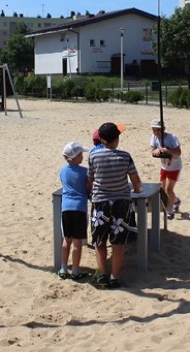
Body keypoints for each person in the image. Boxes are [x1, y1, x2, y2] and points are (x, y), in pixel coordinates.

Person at [88, 122, 141, 289]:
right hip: (121, 203)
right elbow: (135, 179)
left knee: (100, 241)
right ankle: (115, 276)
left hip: (100, 203)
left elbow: (90, 179)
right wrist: (138, 189)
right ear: (116, 139)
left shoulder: (93, 157)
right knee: (118, 244)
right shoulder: (125, 156)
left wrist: (90, 192)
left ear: (101, 139)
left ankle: (103, 274)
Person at [58, 141, 90, 281]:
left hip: (66, 207)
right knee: (77, 242)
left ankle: (63, 268)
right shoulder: (84, 172)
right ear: (75, 157)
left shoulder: (63, 170)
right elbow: (88, 187)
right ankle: (75, 270)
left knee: (67, 240)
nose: (82, 156)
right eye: (81, 154)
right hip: (79, 208)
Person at [150, 119, 182, 219]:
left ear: (163, 129)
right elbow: (152, 151)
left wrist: (168, 151)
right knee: (163, 189)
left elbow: (178, 152)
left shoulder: (172, 137)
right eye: (154, 130)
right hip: (164, 166)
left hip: (174, 167)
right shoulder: (154, 137)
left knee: (169, 189)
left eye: (158, 130)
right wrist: (156, 150)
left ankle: (170, 209)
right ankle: (176, 201)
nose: (156, 132)